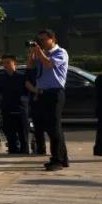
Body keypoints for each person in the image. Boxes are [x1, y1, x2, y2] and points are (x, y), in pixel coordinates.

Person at [30, 29, 70, 171]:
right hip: (43, 93)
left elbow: (49, 64)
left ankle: (57, 159)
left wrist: (40, 53)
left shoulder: (60, 52)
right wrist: (32, 52)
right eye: (39, 40)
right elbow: (30, 66)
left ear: (52, 39)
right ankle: (63, 158)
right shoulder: (42, 53)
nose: (41, 42)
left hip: (55, 92)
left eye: (43, 39)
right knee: (50, 126)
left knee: (54, 127)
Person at [0, 54, 30, 155]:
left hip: (20, 109)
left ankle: (24, 152)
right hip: (7, 108)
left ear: (14, 63)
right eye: (4, 63)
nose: (5, 65)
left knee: (23, 133)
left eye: (8, 63)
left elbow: (28, 92)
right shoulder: (1, 79)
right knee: (10, 133)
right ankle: (12, 151)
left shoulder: (22, 77)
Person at [24, 55, 45, 156]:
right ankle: (41, 149)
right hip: (35, 100)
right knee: (37, 126)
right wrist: (36, 91)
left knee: (51, 127)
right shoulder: (29, 71)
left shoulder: (45, 69)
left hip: (46, 98)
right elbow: (27, 83)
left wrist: (40, 92)